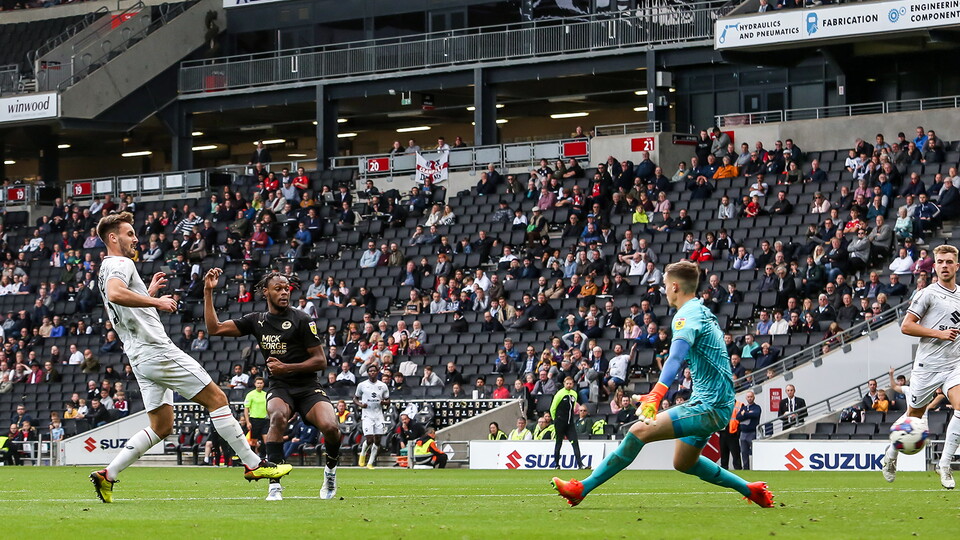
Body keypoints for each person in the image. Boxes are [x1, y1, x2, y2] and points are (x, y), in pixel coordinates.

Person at [88, 213, 290, 504]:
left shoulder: (105, 268)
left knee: (162, 426)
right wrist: (156, 301)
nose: (135, 239)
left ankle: (108, 474)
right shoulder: (122, 263)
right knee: (218, 399)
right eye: (129, 234)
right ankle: (253, 464)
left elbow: (121, 301)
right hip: (156, 350)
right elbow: (116, 293)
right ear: (112, 238)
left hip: (139, 358)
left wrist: (146, 292)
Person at [552, 260, 773, 508]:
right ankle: (750, 490)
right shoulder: (703, 312)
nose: (664, 290)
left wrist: (656, 394)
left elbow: (675, 358)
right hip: (713, 402)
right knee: (684, 462)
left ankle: (581, 488)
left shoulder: (685, 316)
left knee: (638, 431)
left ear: (675, 286)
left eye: (665, 285)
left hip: (709, 405)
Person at [204, 268, 341, 501]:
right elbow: (214, 328)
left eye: (286, 288)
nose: (284, 292)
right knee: (277, 417)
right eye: (278, 289)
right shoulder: (257, 321)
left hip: (308, 387)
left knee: (331, 428)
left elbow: (320, 361)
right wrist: (208, 291)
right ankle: (274, 485)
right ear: (266, 292)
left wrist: (287, 367)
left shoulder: (302, 319)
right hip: (280, 387)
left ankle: (330, 472)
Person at [884, 244, 960, 490]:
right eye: (941, 262)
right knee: (914, 417)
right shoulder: (927, 294)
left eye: (949, 261)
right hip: (927, 367)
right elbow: (906, 326)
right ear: (934, 266)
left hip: (954, 365)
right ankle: (891, 455)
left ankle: (944, 465)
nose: (945, 266)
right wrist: (939, 333)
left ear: (957, 266)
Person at [354, 364, 390, 470]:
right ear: (368, 373)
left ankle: (370, 463)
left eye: (374, 371)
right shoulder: (362, 385)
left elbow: (388, 400)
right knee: (369, 439)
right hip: (367, 415)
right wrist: (361, 405)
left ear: (378, 372)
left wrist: (384, 402)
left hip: (378, 415)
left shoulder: (383, 385)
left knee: (377, 440)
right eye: (370, 371)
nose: (372, 372)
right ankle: (363, 453)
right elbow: (355, 398)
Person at [551, 377, 584, 469]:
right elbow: (553, 408)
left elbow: (573, 407)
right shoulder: (560, 394)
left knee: (575, 442)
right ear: (564, 384)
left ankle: (580, 464)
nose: (569, 385)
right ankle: (556, 464)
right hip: (560, 422)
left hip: (570, 423)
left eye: (570, 384)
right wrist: (555, 420)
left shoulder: (574, 394)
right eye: (567, 383)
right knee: (559, 442)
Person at [243, 377, 269, 455]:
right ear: (255, 384)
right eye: (258, 383)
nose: (259, 385)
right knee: (253, 442)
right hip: (254, 420)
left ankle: (265, 456)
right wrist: (248, 422)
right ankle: (253, 456)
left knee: (266, 440)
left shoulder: (265, 394)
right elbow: (246, 409)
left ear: (263, 384)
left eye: (261, 383)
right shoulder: (250, 394)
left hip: (265, 420)